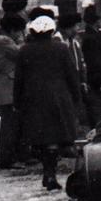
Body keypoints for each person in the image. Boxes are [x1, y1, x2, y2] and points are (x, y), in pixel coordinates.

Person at [13, 13, 81, 191]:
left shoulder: (24, 51)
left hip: (34, 100)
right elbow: (71, 75)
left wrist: (17, 102)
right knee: (55, 138)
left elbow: (18, 80)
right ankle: (50, 174)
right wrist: (76, 97)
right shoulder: (61, 49)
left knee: (43, 138)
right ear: (51, 31)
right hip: (58, 99)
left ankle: (48, 172)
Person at [0, 14, 25, 169]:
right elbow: (20, 54)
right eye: (18, 31)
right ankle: (7, 158)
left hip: (6, 86)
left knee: (10, 124)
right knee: (10, 125)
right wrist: (25, 41)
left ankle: (8, 157)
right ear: (11, 30)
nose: (20, 35)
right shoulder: (3, 41)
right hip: (7, 87)